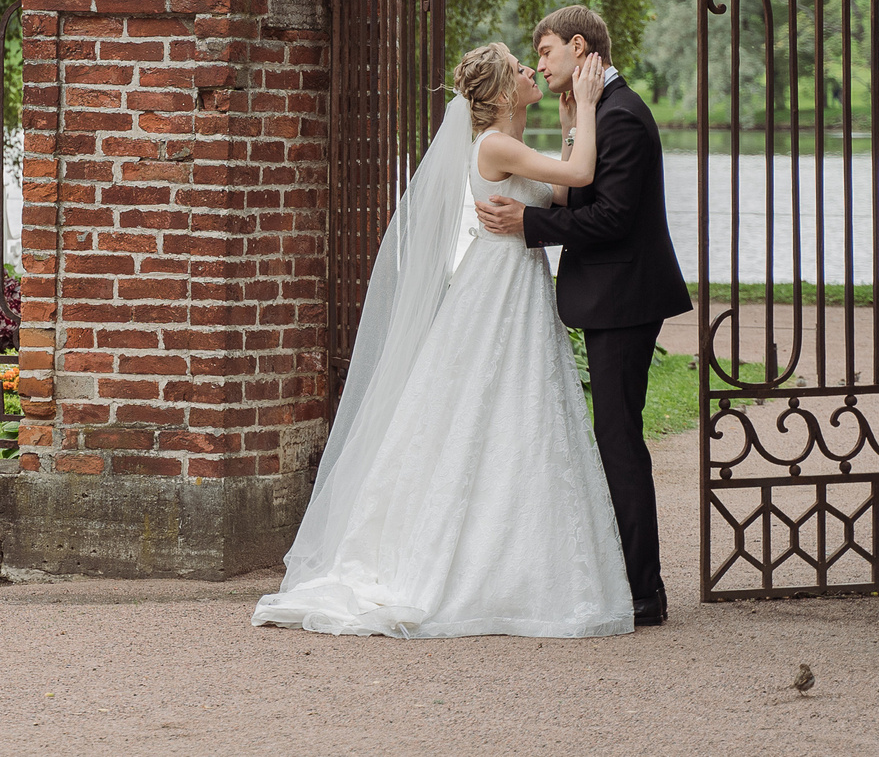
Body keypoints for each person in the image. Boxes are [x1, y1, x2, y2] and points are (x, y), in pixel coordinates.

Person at [251, 38, 634, 638]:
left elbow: (562, 192)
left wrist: (564, 124)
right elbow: (584, 173)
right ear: (505, 91)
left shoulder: (507, 143)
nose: (532, 69)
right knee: (483, 406)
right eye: (519, 66)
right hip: (498, 286)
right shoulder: (497, 145)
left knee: (518, 411)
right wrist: (584, 104)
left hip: (516, 285)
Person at [475, 4, 692, 628]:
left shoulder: (621, 117)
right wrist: (574, 123)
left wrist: (529, 224)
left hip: (625, 300)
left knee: (619, 441)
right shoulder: (603, 112)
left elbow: (612, 219)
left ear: (577, 47)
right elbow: (582, 188)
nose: (539, 66)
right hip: (614, 298)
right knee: (614, 438)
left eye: (544, 53)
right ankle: (629, 579)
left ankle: (644, 592)